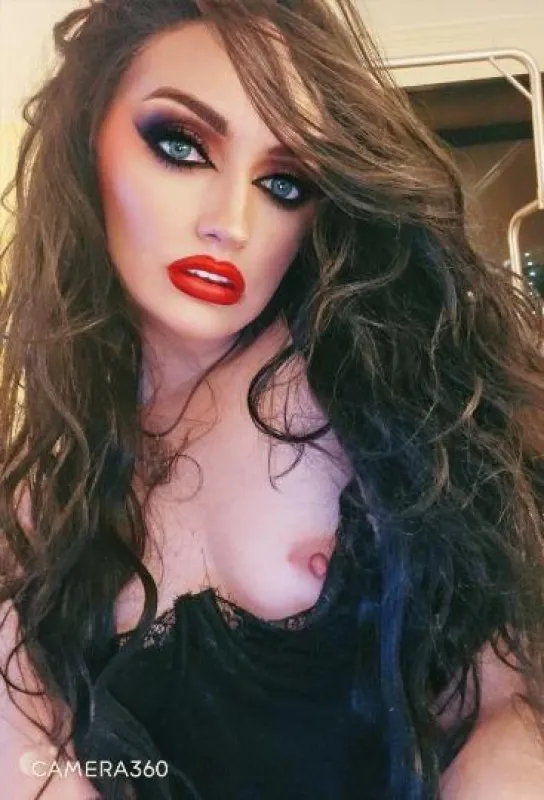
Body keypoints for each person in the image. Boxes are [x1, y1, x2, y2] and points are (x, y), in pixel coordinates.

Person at [1, 0, 543, 797]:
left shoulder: (383, 387)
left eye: (285, 182)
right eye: (181, 146)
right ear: (88, 144)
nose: (232, 223)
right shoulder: (44, 499)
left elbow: (504, 714)